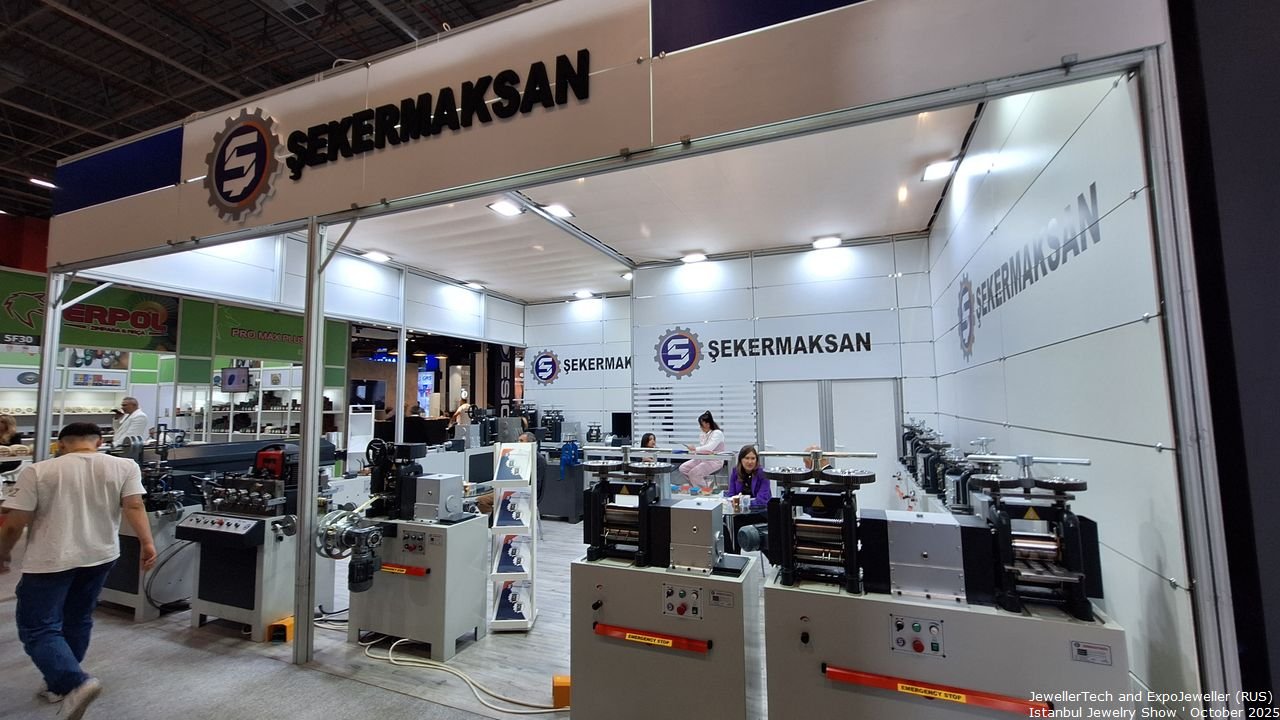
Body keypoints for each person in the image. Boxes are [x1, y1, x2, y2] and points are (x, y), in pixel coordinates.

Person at [0, 422, 157, 718]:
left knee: (38, 627)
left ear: (61, 445)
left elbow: (15, 522)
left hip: (50, 559)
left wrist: (3, 553)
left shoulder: (39, 471)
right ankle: (59, 685)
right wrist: (148, 543)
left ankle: (74, 683)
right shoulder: (125, 466)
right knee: (78, 618)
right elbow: (135, 506)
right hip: (101, 556)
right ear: (99, 442)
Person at [678, 411, 725, 492]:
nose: (700, 427)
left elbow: (709, 448)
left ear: (708, 424)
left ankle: (705, 491)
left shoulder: (717, 433)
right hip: (702, 458)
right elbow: (703, 449)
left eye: (701, 424)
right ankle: (697, 487)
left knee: (694, 473)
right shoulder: (703, 434)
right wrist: (694, 451)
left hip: (715, 461)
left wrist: (695, 449)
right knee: (683, 468)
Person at [725, 444, 771, 510]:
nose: (750, 462)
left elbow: (762, 501)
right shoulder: (735, 472)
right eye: (747, 458)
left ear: (756, 460)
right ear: (741, 459)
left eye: (753, 458)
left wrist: (742, 503)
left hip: (759, 511)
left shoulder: (763, 474)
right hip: (739, 511)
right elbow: (731, 495)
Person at [111, 397, 149, 463]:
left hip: (129, 449)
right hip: (120, 448)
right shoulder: (127, 415)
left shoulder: (140, 416)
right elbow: (118, 430)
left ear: (134, 405)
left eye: (124, 405)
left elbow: (130, 435)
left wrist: (115, 444)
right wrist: (116, 419)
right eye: (122, 405)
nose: (122, 407)